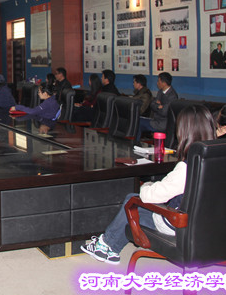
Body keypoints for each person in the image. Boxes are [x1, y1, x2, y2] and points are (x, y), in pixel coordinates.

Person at [82, 104, 216, 264]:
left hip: (178, 225)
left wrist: (146, 186)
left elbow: (151, 196)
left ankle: (104, 244)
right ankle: (110, 248)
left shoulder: (186, 168)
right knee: (137, 207)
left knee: (133, 201)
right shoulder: (220, 162)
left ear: (184, 132)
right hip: (208, 224)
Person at [137, 72, 178, 141]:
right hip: (155, 120)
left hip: (162, 123)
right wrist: (159, 106)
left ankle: (136, 142)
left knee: (139, 123)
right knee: (137, 120)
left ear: (164, 83)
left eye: (158, 81)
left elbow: (164, 112)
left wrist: (157, 106)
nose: (157, 83)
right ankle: (135, 143)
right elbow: (152, 104)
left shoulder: (172, 96)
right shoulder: (160, 91)